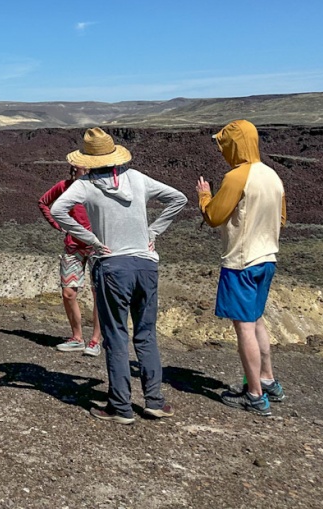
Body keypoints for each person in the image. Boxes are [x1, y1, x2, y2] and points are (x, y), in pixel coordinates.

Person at [51, 128, 186, 424]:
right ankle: (154, 401)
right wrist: (152, 233)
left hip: (112, 265)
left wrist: (91, 239)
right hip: (146, 264)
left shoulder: (86, 185)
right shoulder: (136, 178)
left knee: (115, 335)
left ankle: (121, 406)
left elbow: (58, 209)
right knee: (146, 334)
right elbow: (179, 198)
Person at [197, 119, 287, 418]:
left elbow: (214, 216)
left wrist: (204, 195)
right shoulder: (273, 175)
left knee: (244, 327)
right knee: (257, 320)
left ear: (235, 145)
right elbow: (282, 219)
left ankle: (254, 395)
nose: (223, 150)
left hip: (241, 263)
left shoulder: (237, 177)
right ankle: (267, 380)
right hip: (267, 258)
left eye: (224, 144)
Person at [38, 166, 103, 356]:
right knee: (68, 292)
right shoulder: (65, 186)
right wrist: (59, 225)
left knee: (99, 293)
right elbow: (43, 202)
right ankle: (77, 337)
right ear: (75, 168)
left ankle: (95, 340)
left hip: (98, 246)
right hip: (73, 246)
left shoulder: (98, 188)